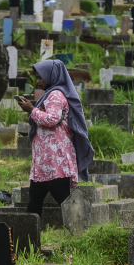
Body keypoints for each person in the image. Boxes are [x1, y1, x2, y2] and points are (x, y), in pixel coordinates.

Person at [16, 60, 94, 217]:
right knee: (35, 199)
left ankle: (79, 232)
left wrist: (31, 109)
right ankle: (29, 237)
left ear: (51, 76)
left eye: (40, 77)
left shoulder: (56, 95)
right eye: (37, 77)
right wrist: (33, 109)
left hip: (55, 160)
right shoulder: (49, 94)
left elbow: (52, 119)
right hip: (44, 161)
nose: (38, 81)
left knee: (63, 200)